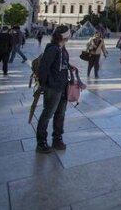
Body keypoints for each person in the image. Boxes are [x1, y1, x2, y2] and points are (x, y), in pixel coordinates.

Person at [36, 25, 81, 153]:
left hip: (63, 86)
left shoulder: (62, 48)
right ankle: (41, 143)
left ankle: (57, 138)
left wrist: (68, 66)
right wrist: (44, 84)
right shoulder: (53, 49)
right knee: (48, 114)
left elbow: (59, 64)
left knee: (60, 114)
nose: (70, 35)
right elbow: (43, 68)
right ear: (64, 36)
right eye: (69, 34)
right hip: (53, 87)